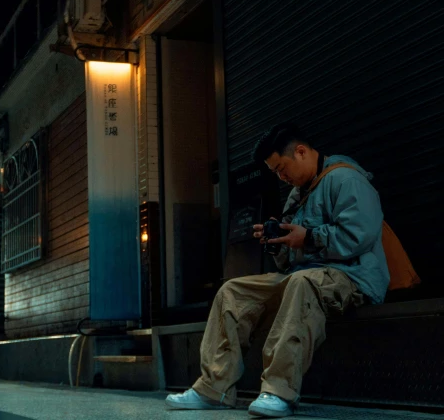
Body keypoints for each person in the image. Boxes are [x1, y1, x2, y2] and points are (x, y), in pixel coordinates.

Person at [166, 123, 391, 418]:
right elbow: (289, 262)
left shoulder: (347, 180)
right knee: (233, 290)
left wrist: (308, 237)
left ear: (300, 152)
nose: (281, 177)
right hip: (307, 274)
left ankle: (278, 391)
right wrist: (278, 243)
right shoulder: (298, 195)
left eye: (282, 168)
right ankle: (214, 388)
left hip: (353, 275)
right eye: (275, 172)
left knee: (301, 283)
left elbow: (358, 235)